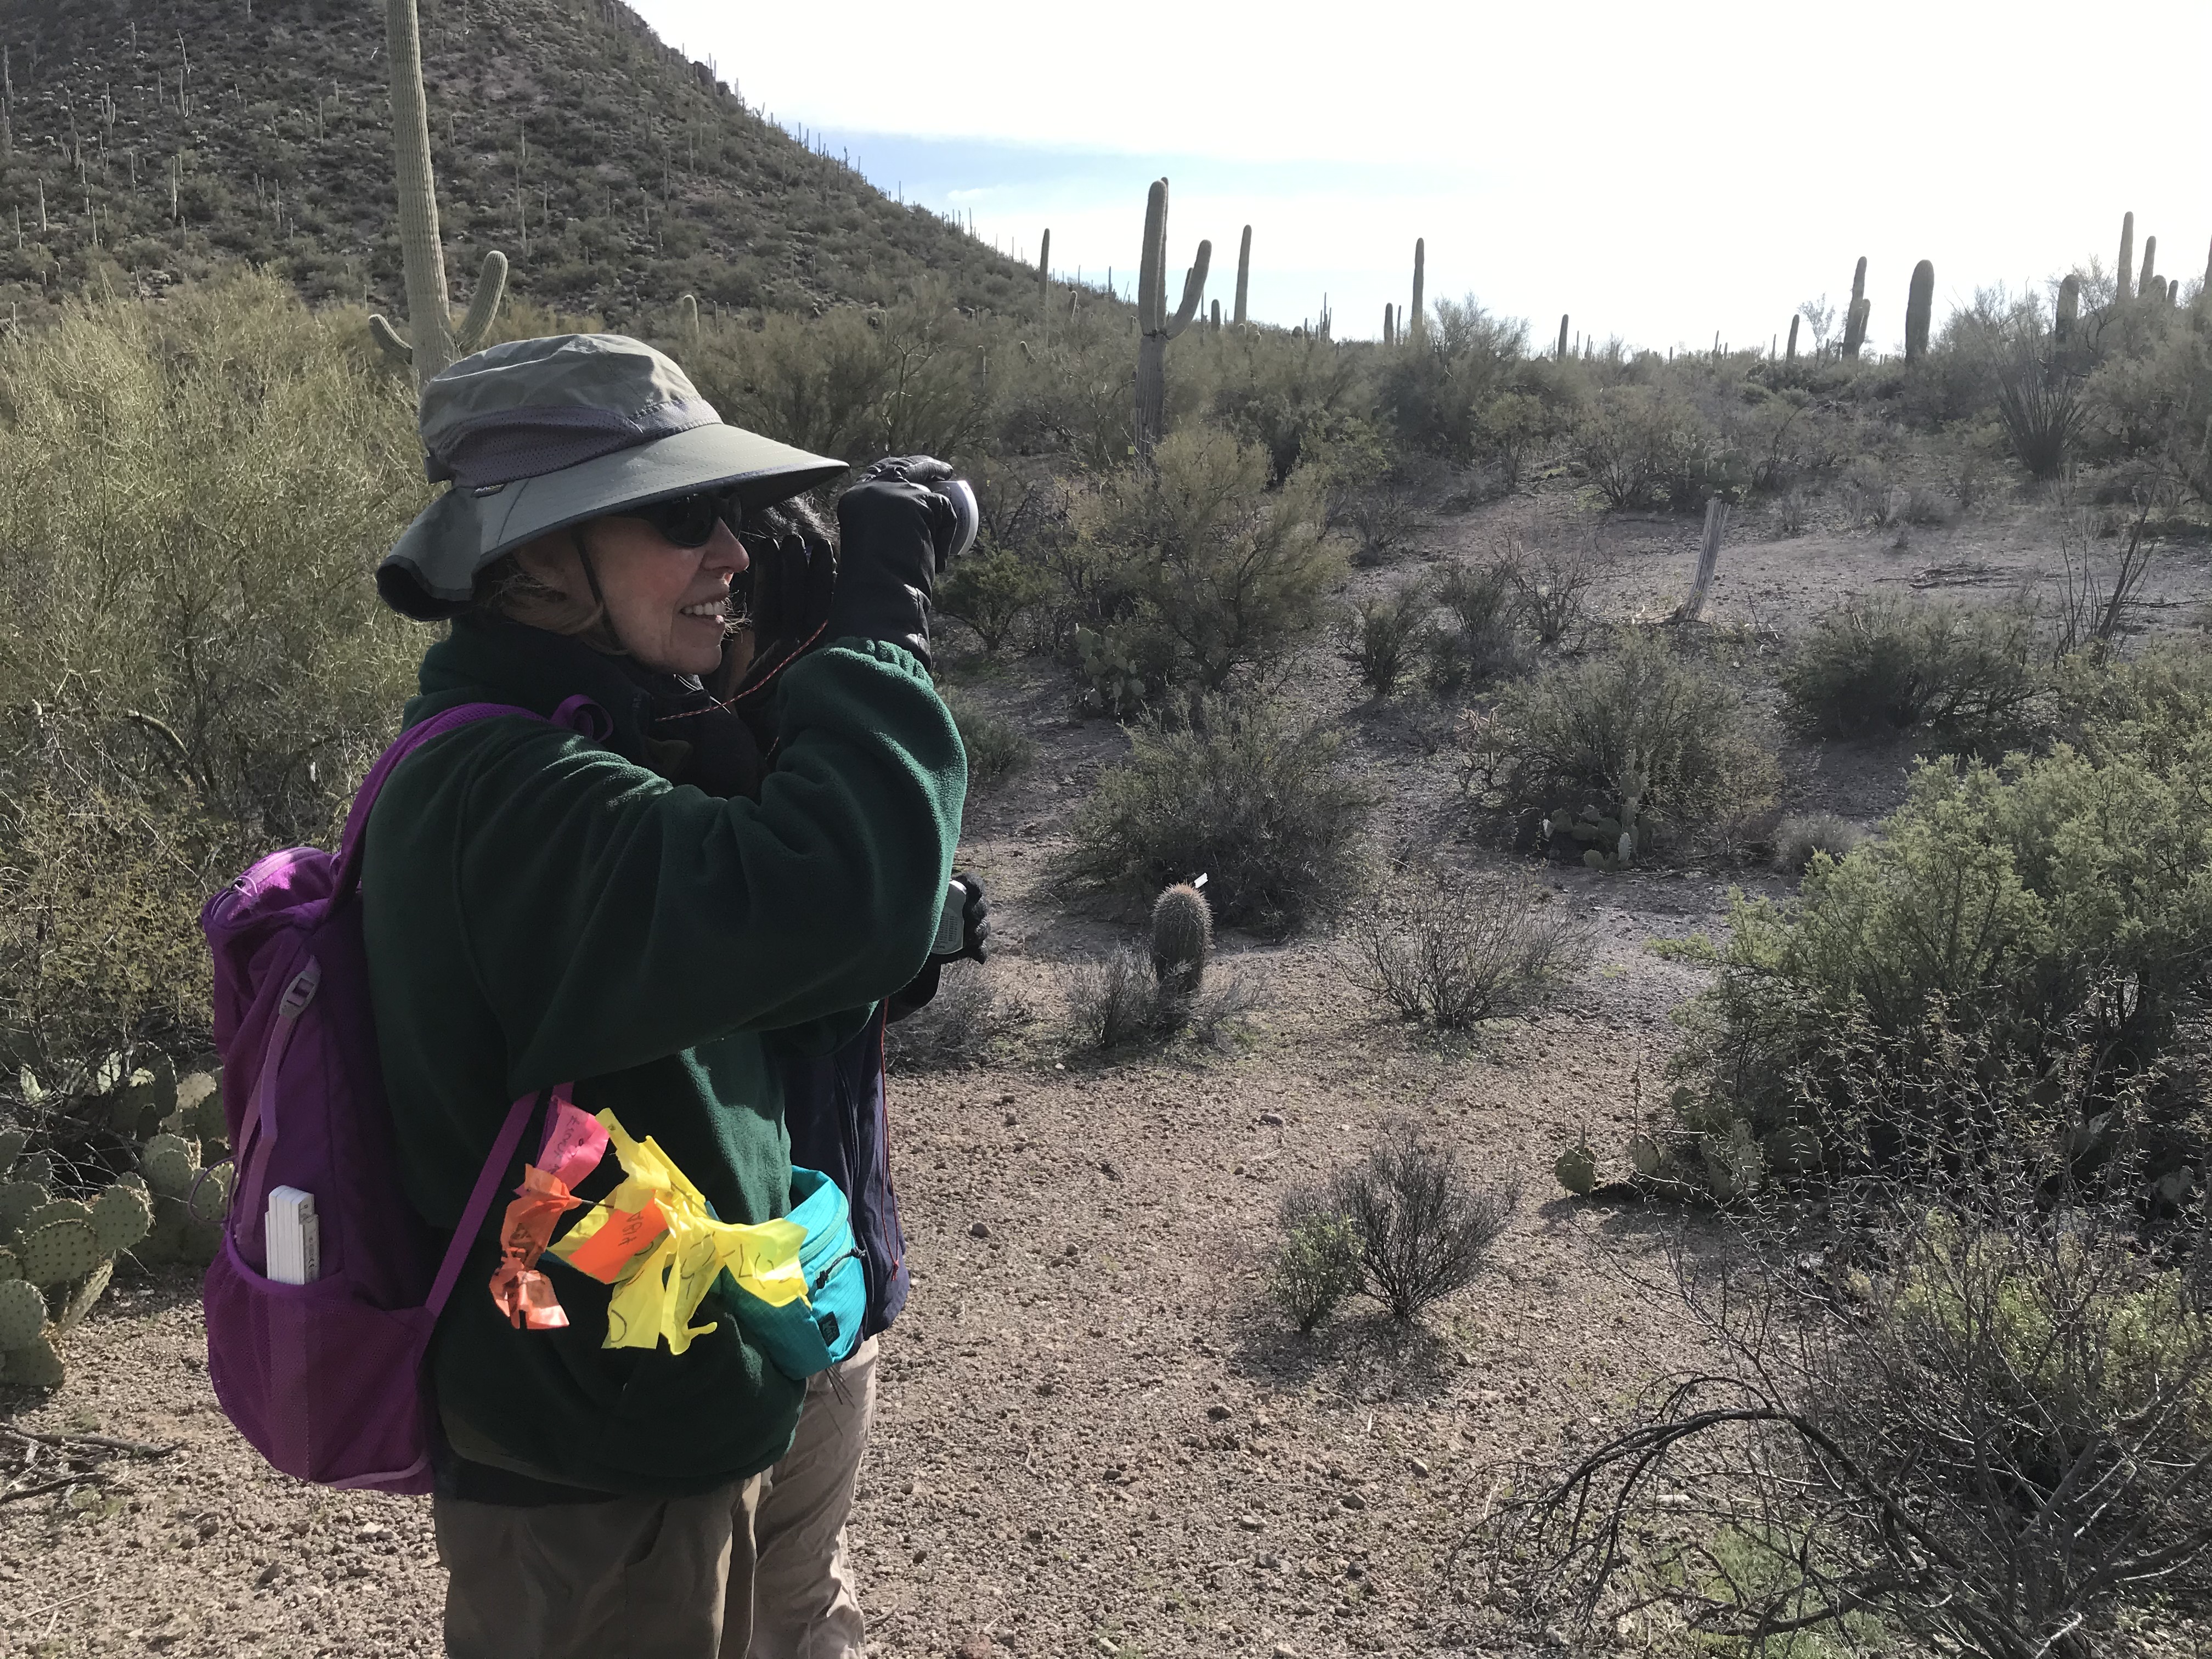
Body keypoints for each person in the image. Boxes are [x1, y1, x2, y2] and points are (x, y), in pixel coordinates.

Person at [360, 331, 969, 1657]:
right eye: (685, 515)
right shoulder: (507, 797)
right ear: (532, 558)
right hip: (598, 1462)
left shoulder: (587, 754)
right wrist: (880, 633)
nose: (735, 554)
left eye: (736, 516)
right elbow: (837, 887)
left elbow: (770, 982)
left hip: (654, 1411)